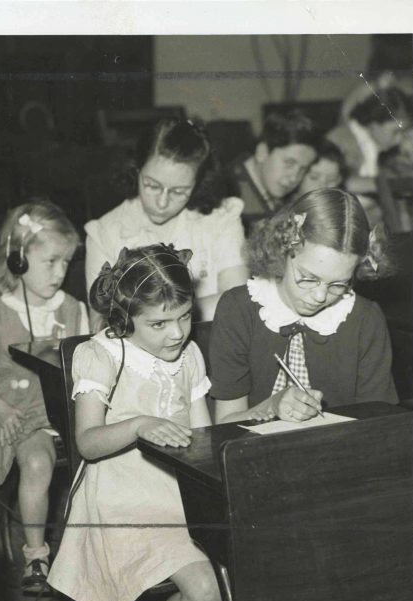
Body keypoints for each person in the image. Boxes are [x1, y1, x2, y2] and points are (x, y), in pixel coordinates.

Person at [48, 244, 235, 601]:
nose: (176, 333)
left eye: (185, 317)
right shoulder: (101, 355)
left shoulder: (189, 354)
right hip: (121, 503)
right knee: (207, 589)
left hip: (181, 494)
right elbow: (87, 443)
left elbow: (200, 439)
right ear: (126, 317)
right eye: (159, 323)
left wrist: (265, 412)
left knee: (251, 571)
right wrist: (137, 424)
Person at [0, 201, 89, 591]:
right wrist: (1, 411)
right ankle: (37, 556)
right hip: (16, 408)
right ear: (17, 258)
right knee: (36, 463)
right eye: (50, 261)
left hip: (63, 406)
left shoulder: (75, 309)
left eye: (66, 263)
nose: (60, 273)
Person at [209, 188, 397, 425]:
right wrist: (272, 405)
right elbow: (225, 423)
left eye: (338, 284)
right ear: (283, 249)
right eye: (308, 277)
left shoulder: (365, 319)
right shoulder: (239, 309)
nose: (320, 296)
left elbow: (378, 423)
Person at [84, 118, 247, 324]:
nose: (162, 202)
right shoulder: (105, 233)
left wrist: (153, 319)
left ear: (198, 184)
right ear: (136, 170)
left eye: (179, 191)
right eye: (152, 185)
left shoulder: (221, 218)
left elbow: (237, 304)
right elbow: (100, 323)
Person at [228, 109, 320, 218]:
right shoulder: (230, 201)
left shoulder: (267, 185)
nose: (294, 178)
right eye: (289, 163)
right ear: (262, 153)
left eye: (303, 169)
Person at [326, 87, 413, 197]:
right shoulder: (343, 139)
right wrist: (397, 184)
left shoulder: (374, 142)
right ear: (374, 125)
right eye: (396, 132)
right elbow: (344, 183)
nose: (399, 139)